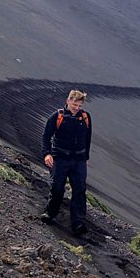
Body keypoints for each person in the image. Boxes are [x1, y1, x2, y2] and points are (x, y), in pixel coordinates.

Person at [40, 89, 92, 235]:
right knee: (57, 188)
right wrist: (47, 154)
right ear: (68, 101)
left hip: (79, 160)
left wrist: (86, 157)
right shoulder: (57, 116)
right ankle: (50, 213)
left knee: (80, 190)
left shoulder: (86, 118)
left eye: (79, 106)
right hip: (60, 158)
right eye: (75, 104)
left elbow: (87, 139)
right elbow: (46, 136)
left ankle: (78, 223)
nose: (77, 108)